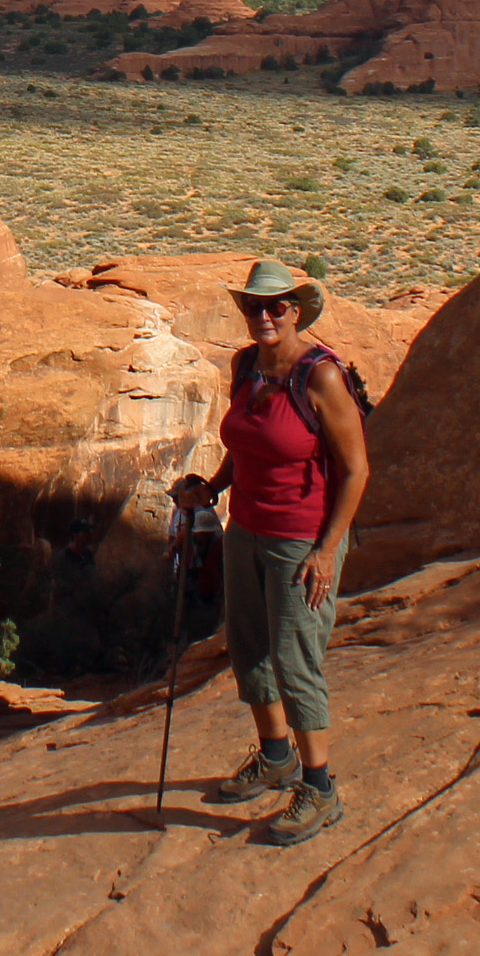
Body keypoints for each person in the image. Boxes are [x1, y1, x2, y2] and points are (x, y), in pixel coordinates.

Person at [167, 259, 370, 848]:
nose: (264, 316)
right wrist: (212, 488)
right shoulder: (246, 366)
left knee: (295, 658)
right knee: (249, 648)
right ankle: (277, 755)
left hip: (302, 539)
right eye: (254, 306)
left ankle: (320, 788)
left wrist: (327, 551)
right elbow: (247, 444)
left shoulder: (321, 375)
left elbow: (356, 470)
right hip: (247, 529)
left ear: (296, 311)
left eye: (276, 306)